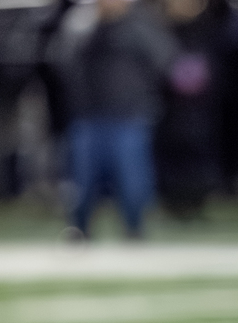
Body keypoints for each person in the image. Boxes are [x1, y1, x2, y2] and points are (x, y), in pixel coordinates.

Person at [48, 0, 178, 239]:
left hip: (130, 116)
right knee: (82, 183)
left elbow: (165, 58)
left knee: (133, 183)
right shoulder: (80, 21)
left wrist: (125, 26)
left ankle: (134, 228)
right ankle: (79, 229)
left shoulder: (140, 22)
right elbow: (61, 60)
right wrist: (95, 25)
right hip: (88, 116)